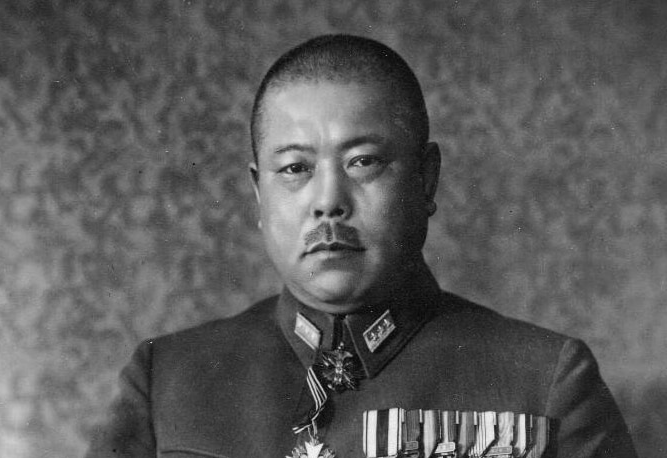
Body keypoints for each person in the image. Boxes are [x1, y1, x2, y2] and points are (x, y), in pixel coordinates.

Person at [85, 34, 637, 458]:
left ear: (425, 181)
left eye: (363, 162)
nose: (328, 201)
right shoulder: (168, 381)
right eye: (296, 168)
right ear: (259, 193)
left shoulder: (542, 381)